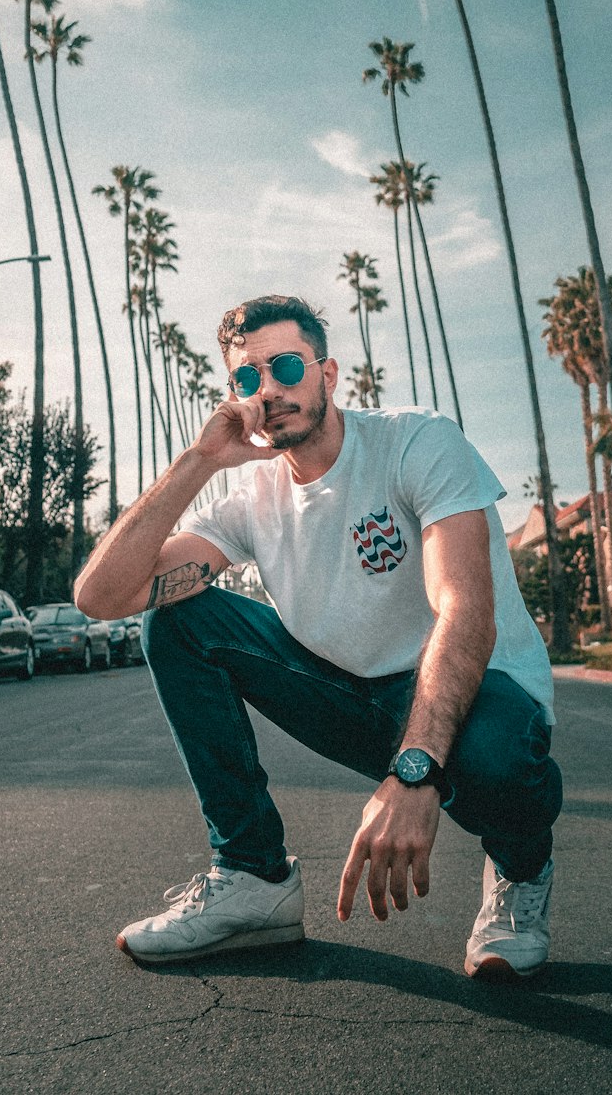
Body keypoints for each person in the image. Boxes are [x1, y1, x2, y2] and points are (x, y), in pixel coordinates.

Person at [75, 294, 562, 980]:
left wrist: (415, 769)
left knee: (499, 759)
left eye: (286, 367)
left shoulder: (416, 442)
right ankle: (253, 879)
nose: (269, 390)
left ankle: (521, 868)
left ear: (328, 375)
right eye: (248, 378)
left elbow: (465, 613)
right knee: (179, 618)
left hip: (474, 695)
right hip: (346, 695)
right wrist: (200, 460)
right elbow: (101, 598)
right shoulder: (248, 498)